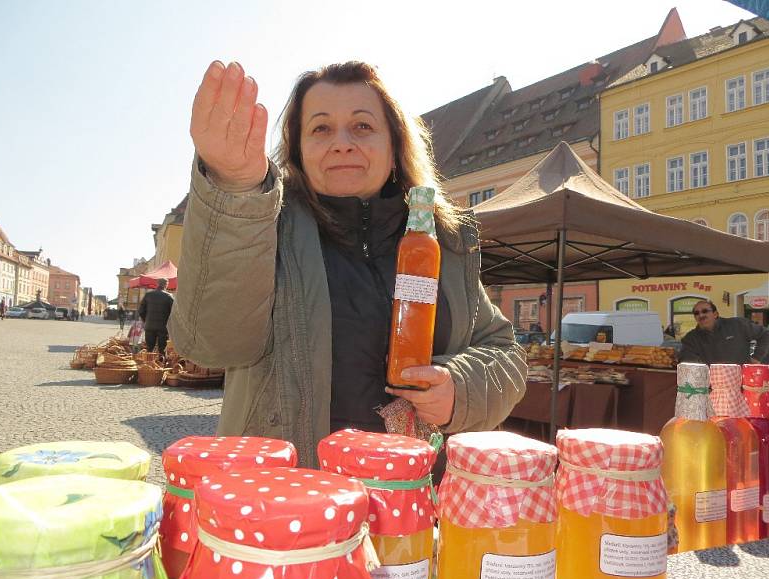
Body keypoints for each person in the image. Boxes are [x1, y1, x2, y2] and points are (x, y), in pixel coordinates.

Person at [169, 60, 527, 468]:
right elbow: (211, 344)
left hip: (415, 501)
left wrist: (459, 389)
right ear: (298, 151)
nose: (342, 143)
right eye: (321, 128)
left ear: (394, 146)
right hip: (296, 503)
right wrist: (234, 188)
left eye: (362, 126)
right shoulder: (263, 226)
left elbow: (505, 351)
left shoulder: (442, 243)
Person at [678, 300, 769, 365]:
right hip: (712, 385)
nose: (701, 315)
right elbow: (687, 361)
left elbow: (765, 334)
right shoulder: (691, 338)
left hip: (741, 381)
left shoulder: (737, 324)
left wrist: (757, 358)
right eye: (696, 313)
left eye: (705, 311)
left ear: (715, 314)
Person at [138, 278, 174, 356]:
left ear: (157, 284)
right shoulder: (169, 296)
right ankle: (160, 366)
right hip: (163, 327)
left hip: (149, 326)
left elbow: (141, 311)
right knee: (162, 350)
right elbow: (173, 313)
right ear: (166, 285)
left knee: (149, 349)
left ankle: (148, 366)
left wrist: (146, 320)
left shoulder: (148, 295)